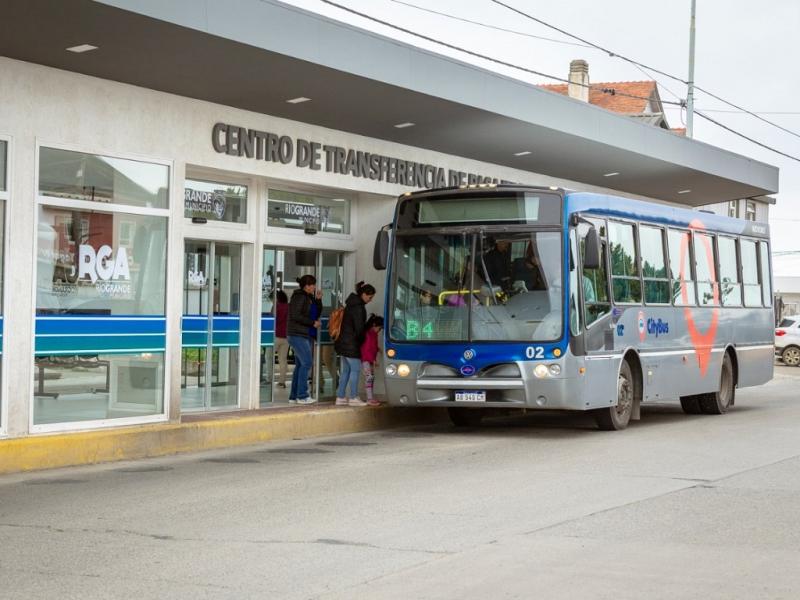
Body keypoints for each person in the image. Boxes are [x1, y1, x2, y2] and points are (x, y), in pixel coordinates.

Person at [334, 281, 376, 406]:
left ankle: (340, 397)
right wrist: (366, 329)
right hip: (351, 344)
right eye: (370, 297)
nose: (370, 300)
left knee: (346, 371)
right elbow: (359, 329)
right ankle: (353, 397)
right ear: (363, 294)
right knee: (355, 370)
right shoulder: (359, 307)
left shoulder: (351, 304)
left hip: (343, 343)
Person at [288, 275, 322, 404]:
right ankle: (302, 395)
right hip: (297, 334)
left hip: (305, 334)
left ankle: (294, 396)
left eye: (314, 284)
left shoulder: (309, 298)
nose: (314, 287)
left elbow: (316, 313)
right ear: (305, 286)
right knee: (307, 363)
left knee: (301, 365)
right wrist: (312, 323)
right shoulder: (299, 297)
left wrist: (318, 301)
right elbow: (295, 315)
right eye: (312, 285)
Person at [361, 315, 384, 406]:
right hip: (366, 359)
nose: (380, 330)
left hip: (369, 360)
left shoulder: (373, 334)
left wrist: (378, 350)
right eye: (380, 328)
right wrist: (373, 360)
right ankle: (369, 399)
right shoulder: (368, 334)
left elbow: (373, 347)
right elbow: (367, 349)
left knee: (371, 378)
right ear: (374, 325)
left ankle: (370, 398)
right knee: (369, 378)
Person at [273, 290, 289, 388]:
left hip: (276, 335)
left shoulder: (276, 307)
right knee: (282, 359)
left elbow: (273, 320)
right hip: (286, 337)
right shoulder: (289, 307)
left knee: (269, 357)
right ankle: (282, 381)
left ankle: (269, 379)